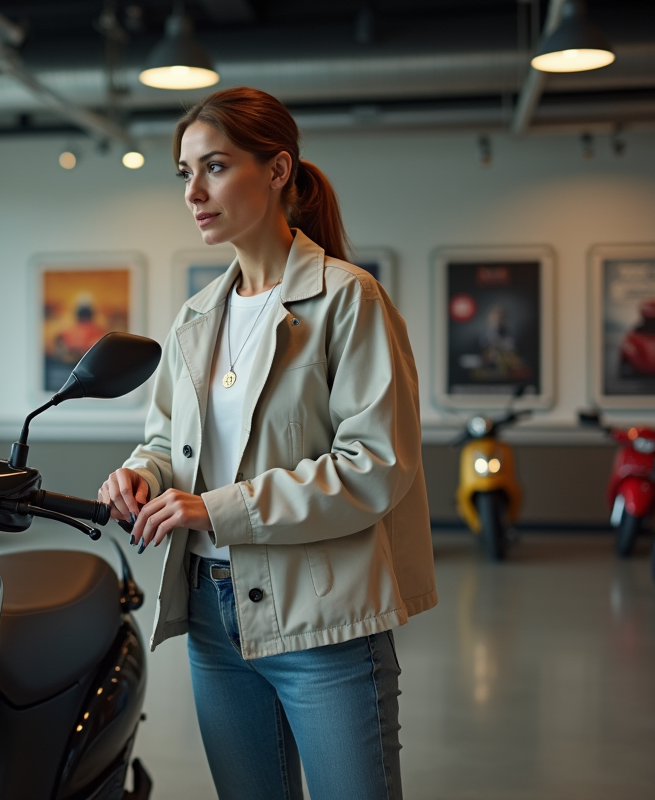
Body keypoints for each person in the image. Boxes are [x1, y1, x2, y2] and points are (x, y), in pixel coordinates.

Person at [97, 87, 436, 800]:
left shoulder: (350, 299)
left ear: (278, 170)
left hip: (326, 622)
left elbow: (375, 468)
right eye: (184, 173)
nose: (194, 191)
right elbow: (165, 443)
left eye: (214, 167)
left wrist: (214, 509)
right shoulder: (196, 315)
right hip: (214, 621)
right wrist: (139, 475)